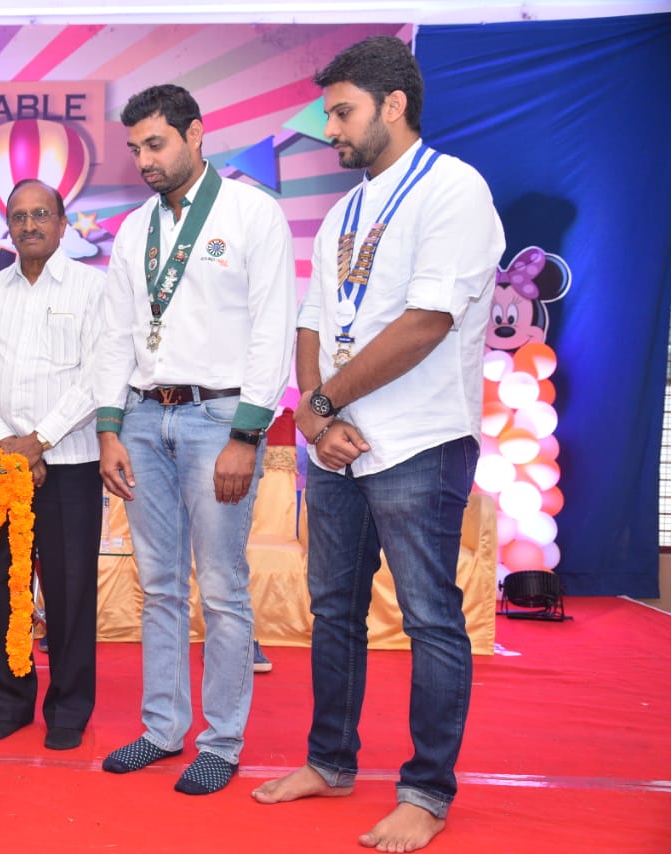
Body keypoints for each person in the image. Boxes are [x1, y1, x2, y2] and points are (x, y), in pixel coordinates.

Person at [250, 36, 504, 853]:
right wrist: (315, 419)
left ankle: (426, 792)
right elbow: (312, 323)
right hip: (335, 447)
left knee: (430, 617)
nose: (330, 128)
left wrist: (326, 401)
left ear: (394, 104)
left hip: (421, 442)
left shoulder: (454, 190)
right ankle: (330, 761)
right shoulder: (343, 212)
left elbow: (427, 323)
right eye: (329, 113)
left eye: (342, 111)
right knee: (333, 610)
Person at [94, 84, 295, 795]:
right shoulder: (132, 230)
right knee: (158, 587)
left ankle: (222, 741)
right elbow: (116, 334)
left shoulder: (251, 213)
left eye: (156, 144)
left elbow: (273, 327)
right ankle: (162, 728)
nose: (145, 160)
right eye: (135, 149)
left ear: (196, 134)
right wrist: (110, 427)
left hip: (219, 421)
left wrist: (247, 433)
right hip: (144, 419)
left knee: (222, 588)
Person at [0, 179, 106, 751]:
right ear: (9, 227)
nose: (29, 224)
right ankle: (10, 702)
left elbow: (99, 375)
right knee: (1, 586)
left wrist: (38, 442)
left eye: (41, 214)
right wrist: (7, 444)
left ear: (63, 224)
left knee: (70, 589)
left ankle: (68, 709)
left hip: (70, 462)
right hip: (1, 464)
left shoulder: (93, 288)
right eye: (18, 216)